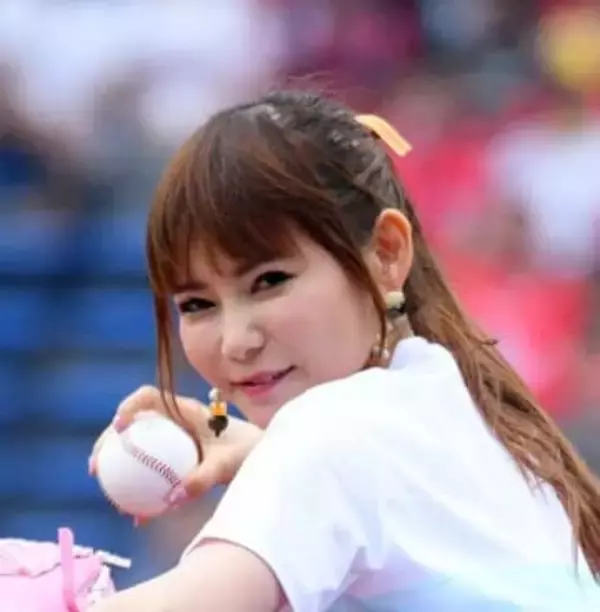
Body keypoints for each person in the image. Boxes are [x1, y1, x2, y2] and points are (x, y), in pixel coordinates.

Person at [89, 90, 600, 611]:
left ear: (386, 253)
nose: (236, 340)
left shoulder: (330, 429)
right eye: (197, 305)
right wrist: (265, 453)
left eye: (270, 280)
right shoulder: (471, 412)